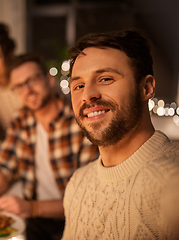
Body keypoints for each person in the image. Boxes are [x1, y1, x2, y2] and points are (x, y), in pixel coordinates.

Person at [0, 54, 99, 240]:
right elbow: (3, 167)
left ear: (49, 80)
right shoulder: (21, 120)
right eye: (19, 86)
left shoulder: (79, 122)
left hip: (77, 221)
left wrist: (32, 207)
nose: (28, 90)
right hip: (34, 221)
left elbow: (87, 198)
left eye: (32, 80)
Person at [62, 29, 179, 239]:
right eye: (78, 85)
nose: (88, 95)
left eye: (105, 79)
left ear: (146, 87)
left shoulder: (173, 181)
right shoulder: (78, 184)